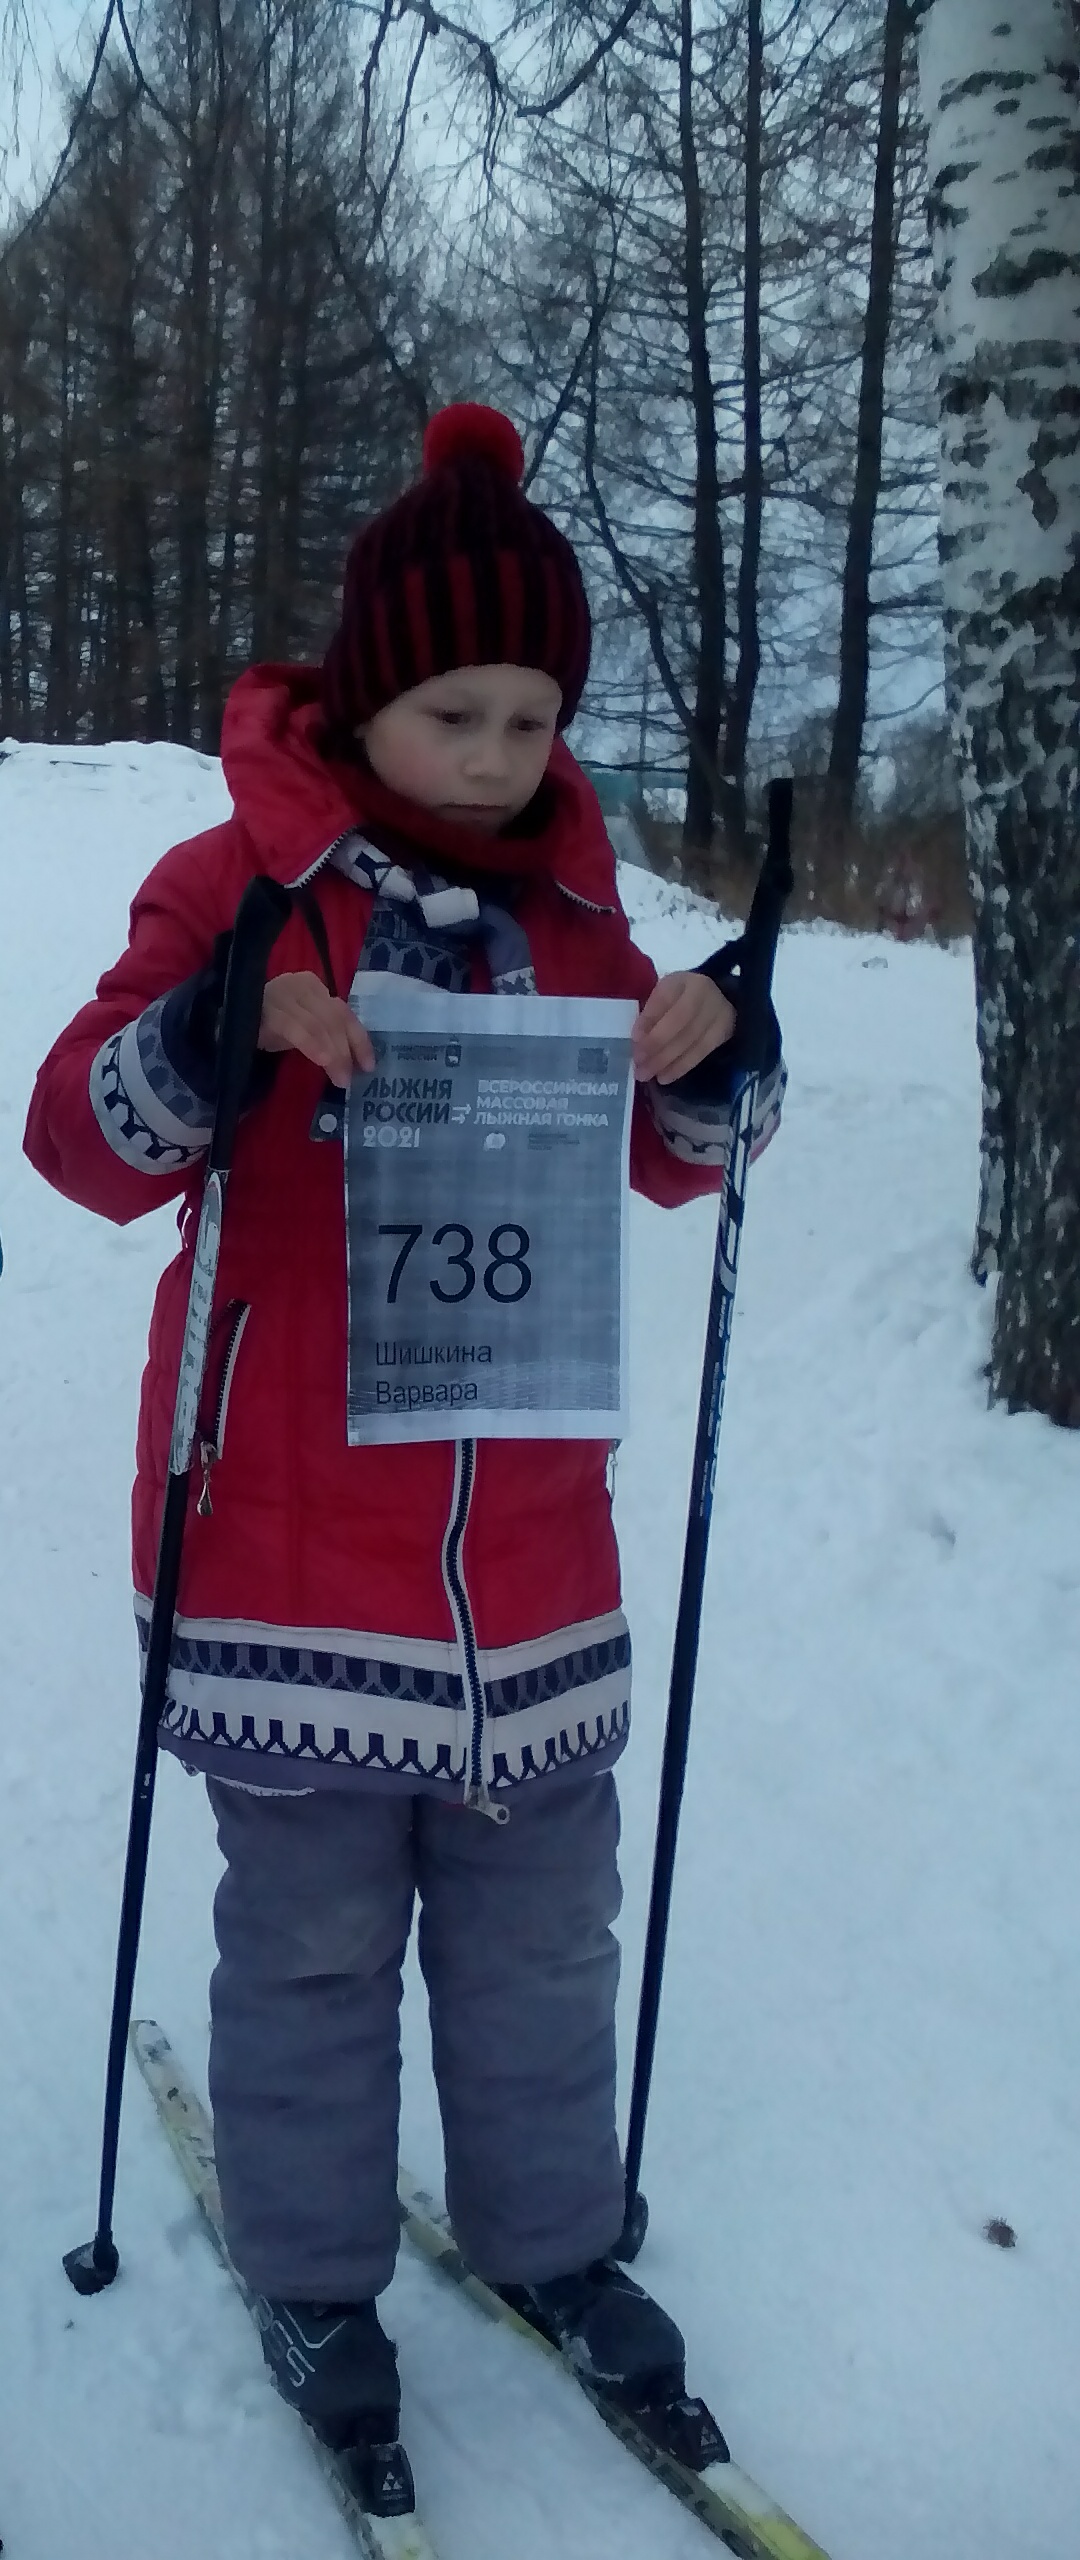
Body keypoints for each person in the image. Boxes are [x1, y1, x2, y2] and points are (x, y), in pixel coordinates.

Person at [24, 402, 784, 2513]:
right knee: (311, 1946)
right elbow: (78, 1136)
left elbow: (676, 1159)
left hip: (528, 1566)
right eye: (457, 710)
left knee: (546, 1938)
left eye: (533, 716)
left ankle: (555, 2236)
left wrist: (720, 1046)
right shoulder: (235, 886)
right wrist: (227, 1023)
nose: (496, 754)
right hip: (290, 1549)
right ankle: (312, 2274)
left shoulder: (578, 920)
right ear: (366, 695)